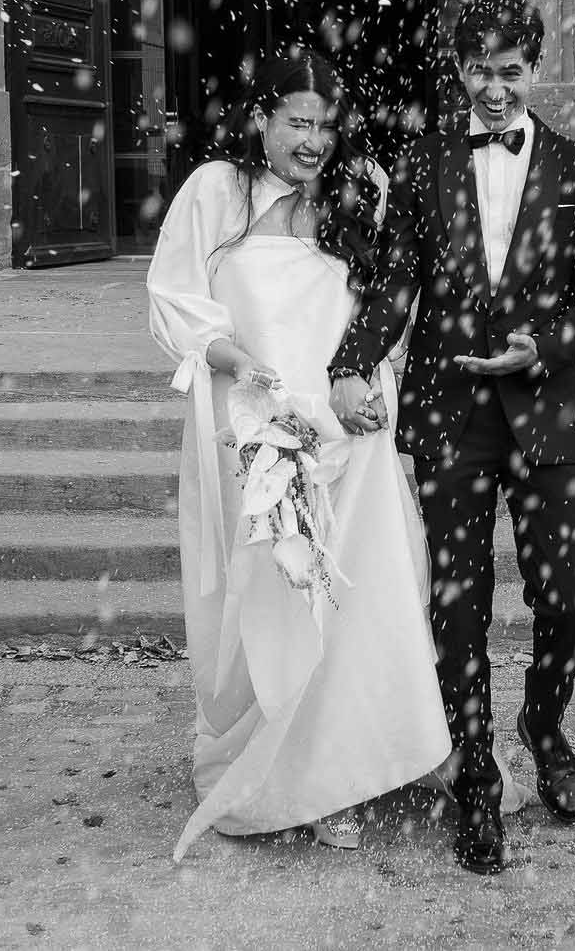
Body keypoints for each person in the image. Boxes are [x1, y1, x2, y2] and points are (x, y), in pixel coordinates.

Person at [328, 0, 575, 875]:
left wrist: (553, 343)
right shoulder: (423, 167)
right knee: (457, 605)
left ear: (535, 69)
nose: (494, 90)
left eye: (510, 71)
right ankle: (480, 778)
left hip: (545, 412)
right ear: (457, 70)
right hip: (449, 412)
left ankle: (543, 720)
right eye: (478, 70)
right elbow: (393, 285)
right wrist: (350, 362)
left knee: (569, 598)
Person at [148, 53, 450, 861]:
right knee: (284, 600)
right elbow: (174, 301)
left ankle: (359, 758)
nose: (314, 140)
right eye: (296, 121)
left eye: (325, 123)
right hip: (261, 426)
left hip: (348, 423)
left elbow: (388, 298)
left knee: (365, 593)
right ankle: (297, 772)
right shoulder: (217, 190)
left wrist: (375, 379)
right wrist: (239, 367)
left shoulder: (357, 193)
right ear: (260, 119)